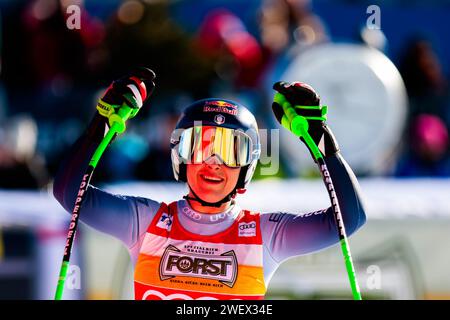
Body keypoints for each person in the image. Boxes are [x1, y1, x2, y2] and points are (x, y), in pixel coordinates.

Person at [53, 69, 366, 300]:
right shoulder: (146, 222)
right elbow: (69, 193)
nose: (213, 162)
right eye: (200, 147)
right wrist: (103, 121)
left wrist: (319, 137)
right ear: (181, 156)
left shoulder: (266, 235)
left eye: (231, 150)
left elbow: (349, 219)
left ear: (247, 165)